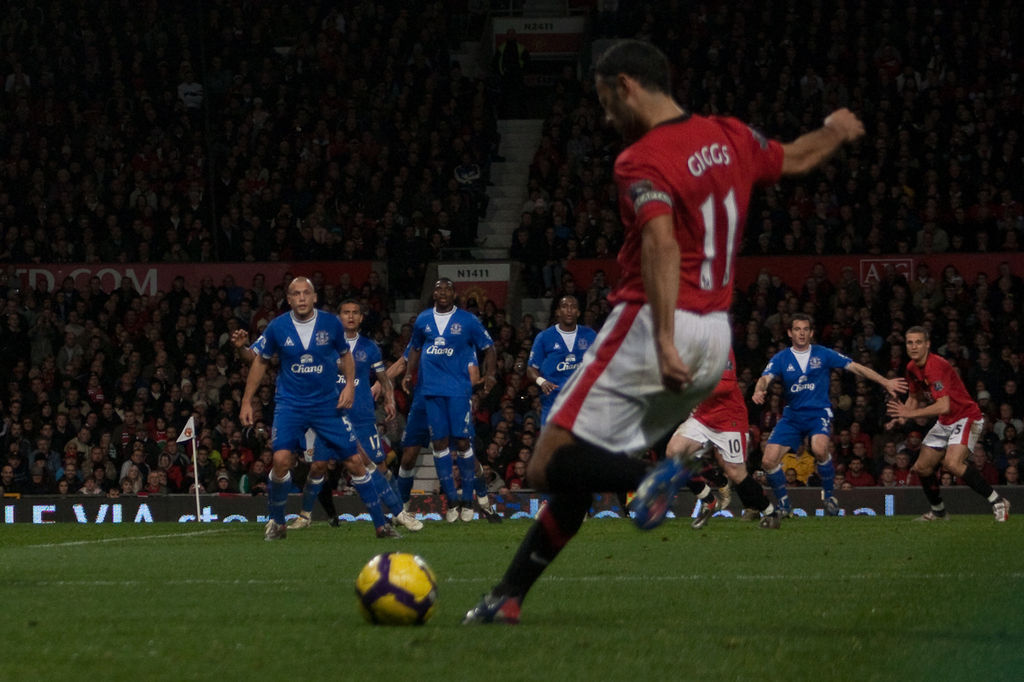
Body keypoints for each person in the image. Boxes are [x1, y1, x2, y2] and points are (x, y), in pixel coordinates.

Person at [464, 39, 866, 624]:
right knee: (580, 470)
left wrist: (661, 340)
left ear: (626, 85)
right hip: (714, 337)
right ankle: (509, 596)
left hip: (652, 325)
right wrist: (833, 128)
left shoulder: (642, 158)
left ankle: (663, 475)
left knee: (544, 464)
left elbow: (659, 241)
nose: (606, 116)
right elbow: (797, 157)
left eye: (605, 100)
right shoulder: (730, 135)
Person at [239, 276, 397, 541]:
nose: (301, 298)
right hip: (290, 404)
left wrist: (348, 386)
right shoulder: (277, 326)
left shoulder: (330, 323)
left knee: (355, 462)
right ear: (288, 299)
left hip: (326, 404)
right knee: (280, 460)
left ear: (314, 297)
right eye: (295, 294)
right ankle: (277, 523)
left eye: (306, 293)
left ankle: (382, 526)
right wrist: (246, 400)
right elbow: (259, 361)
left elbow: (345, 355)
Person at [287, 299, 422, 532]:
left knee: (379, 466)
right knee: (318, 466)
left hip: (361, 416)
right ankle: (304, 515)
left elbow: (383, 379)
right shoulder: (324, 345)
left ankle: (400, 511)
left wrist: (389, 399)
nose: (350, 316)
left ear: (361, 318)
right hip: (330, 417)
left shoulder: (370, 347)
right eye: (346, 312)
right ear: (338, 317)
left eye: (355, 313)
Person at [751, 314, 905, 516]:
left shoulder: (822, 354)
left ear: (811, 333)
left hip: (818, 413)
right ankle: (784, 504)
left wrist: (885, 381)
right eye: (797, 329)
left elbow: (856, 367)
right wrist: (758, 390)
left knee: (819, 447)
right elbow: (764, 378)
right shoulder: (781, 358)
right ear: (790, 333)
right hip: (792, 417)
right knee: (768, 461)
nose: (802, 333)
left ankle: (830, 495)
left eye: (805, 329)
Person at [886, 326, 1010, 521]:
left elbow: (944, 405)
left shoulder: (936, 366)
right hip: (946, 421)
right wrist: (900, 417)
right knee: (922, 468)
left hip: (967, 416)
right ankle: (939, 512)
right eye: (910, 342)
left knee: (952, 463)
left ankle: (998, 501)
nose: (914, 346)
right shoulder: (911, 368)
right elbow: (914, 397)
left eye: (918, 342)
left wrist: (910, 414)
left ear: (927, 344)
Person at [403, 278, 497, 522]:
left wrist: (491, 375)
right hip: (431, 391)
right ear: (433, 294)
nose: (443, 292)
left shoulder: (467, 320)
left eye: (447, 289)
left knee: (464, 443)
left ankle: (468, 499)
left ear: (454, 294)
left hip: (458, 390)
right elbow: (414, 348)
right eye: (438, 289)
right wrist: (407, 374)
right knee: (440, 443)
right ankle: (452, 502)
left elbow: (489, 346)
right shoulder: (423, 319)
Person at [665, 349, 781, 529]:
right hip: (703, 416)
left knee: (737, 473)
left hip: (729, 419)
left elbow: (726, 385)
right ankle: (708, 501)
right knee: (674, 452)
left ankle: (770, 512)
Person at [527, 296, 597, 426]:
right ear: (558, 312)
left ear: (578, 312)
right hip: (553, 401)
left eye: (573, 307)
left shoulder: (590, 335)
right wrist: (541, 381)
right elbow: (531, 368)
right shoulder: (544, 337)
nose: (569, 310)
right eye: (565, 306)